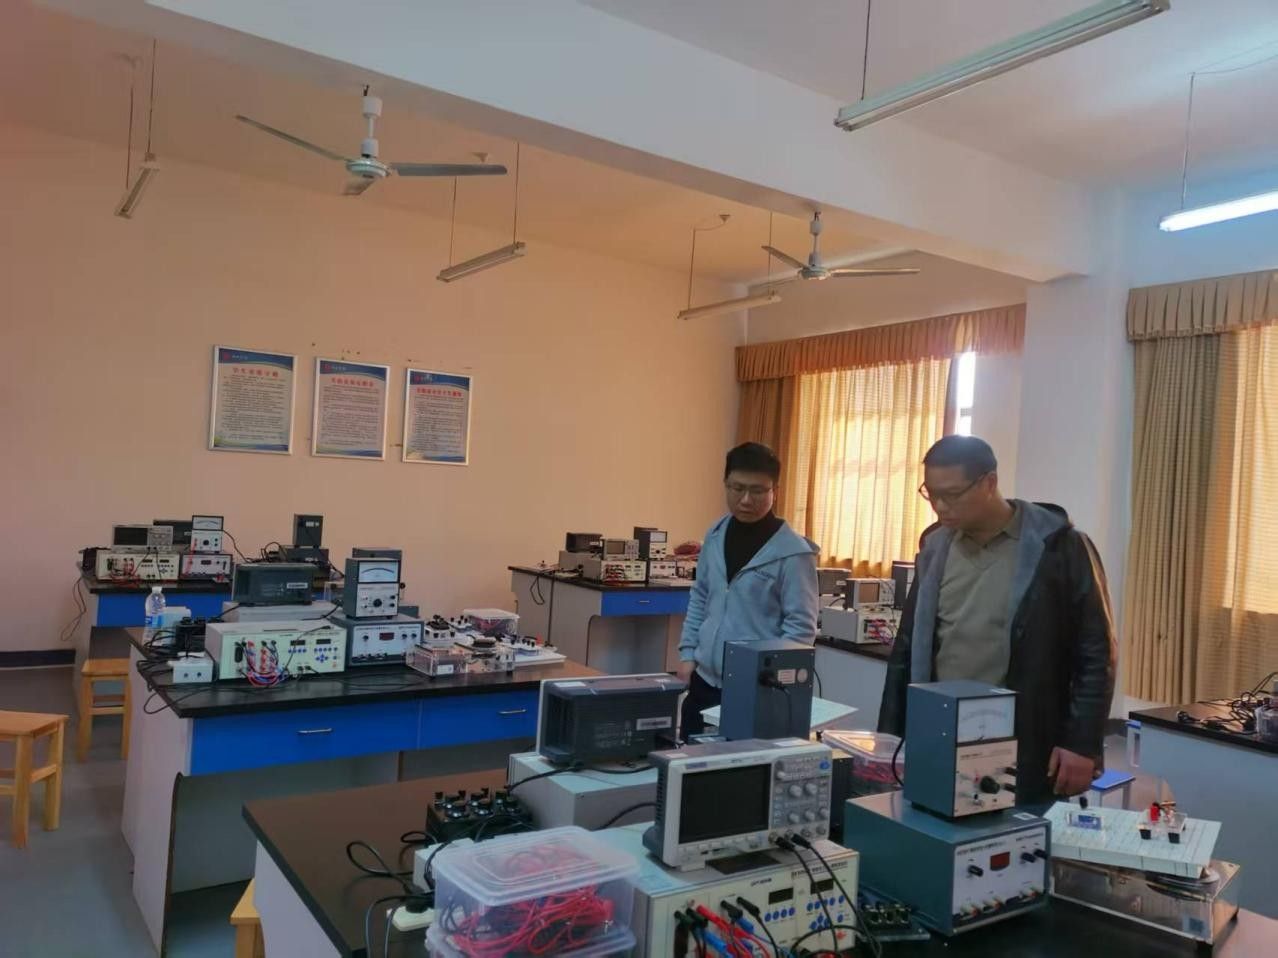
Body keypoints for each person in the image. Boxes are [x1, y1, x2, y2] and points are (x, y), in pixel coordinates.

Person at [878, 435, 1116, 804]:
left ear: (989, 483)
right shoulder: (936, 547)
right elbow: (907, 646)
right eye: (931, 494)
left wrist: (1082, 743)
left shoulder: (1058, 547)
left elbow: (1096, 651)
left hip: (1024, 732)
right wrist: (890, 737)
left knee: (1018, 830)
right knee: (932, 825)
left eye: (952, 495)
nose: (940, 507)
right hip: (941, 726)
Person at [677, 442, 820, 738]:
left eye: (757, 491)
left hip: (755, 688)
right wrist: (688, 654)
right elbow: (700, 597)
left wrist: (769, 681)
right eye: (737, 488)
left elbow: (800, 629)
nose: (745, 500)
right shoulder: (715, 535)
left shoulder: (793, 553)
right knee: (692, 758)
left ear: (774, 491)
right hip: (704, 681)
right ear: (725, 484)